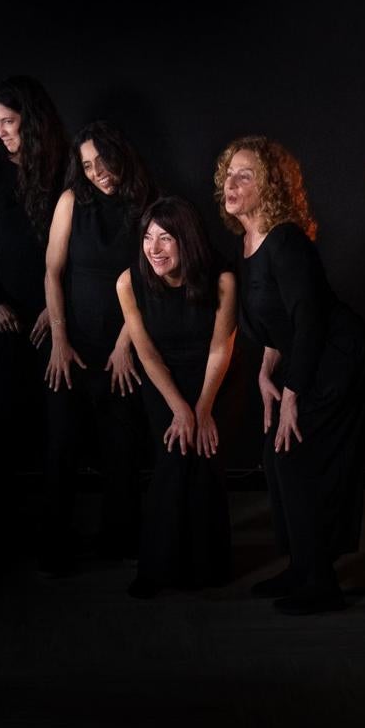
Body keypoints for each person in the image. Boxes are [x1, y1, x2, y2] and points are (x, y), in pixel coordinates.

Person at [216, 136, 365, 615]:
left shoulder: (285, 240)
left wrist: (290, 395)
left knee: (294, 458)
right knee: (277, 455)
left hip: (336, 358)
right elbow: (275, 326)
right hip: (305, 360)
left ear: (270, 189)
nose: (233, 183)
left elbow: (309, 319)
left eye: (247, 175)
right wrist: (266, 372)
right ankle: (303, 567)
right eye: (229, 173)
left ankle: (321, 583)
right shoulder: (246, 243)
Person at [0, 76, 70, 547]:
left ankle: (54, 531)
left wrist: (56, 306)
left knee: (57, 425)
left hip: (56, 312)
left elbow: (76, 247)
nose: (1, 131)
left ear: (32, 118)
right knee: (1, 421)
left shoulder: (65, 165)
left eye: (9, 121)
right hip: (5, 316)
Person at [42, 121, 153, 571]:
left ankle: (120, 541)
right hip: (73, 344)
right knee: (60, 448)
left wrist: (127, 344)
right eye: (86, 166)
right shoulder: (72, 201)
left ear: (118, 152)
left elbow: (150, 276)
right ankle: (55, 548)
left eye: (100, 161)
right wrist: (58, 340)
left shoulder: (145, 203)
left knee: (121, 451)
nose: (96, 172)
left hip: (122, 344)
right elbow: (52, 272)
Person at [115, 196, 236, 598]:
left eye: (165, 238)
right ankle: (157, 569)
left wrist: (202, 408)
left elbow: (221, 348)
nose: (154, 248)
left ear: (187, 239)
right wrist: (180, 408)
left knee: (205, 460)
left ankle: (210, 567)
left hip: (210, 376)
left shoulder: (222, 279)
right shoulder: (128, 282)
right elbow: (145, 351)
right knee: (171, 459)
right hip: (161, 379)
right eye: (148, 238)